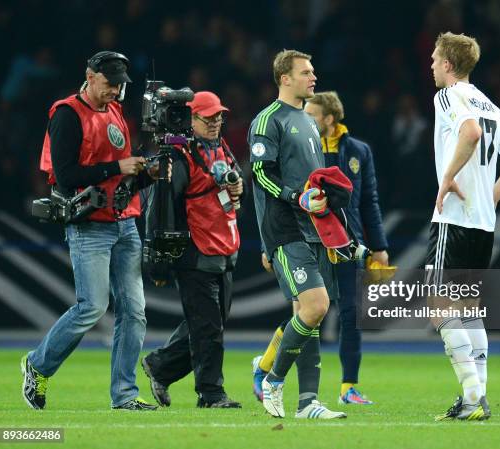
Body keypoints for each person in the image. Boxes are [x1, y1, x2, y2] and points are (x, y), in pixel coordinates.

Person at [22, 51, 159, 410]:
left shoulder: (115, 113)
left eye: (120, 83)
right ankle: (37, 365)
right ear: (90, 75)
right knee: (92, 307)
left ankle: (125, 396)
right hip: (89, 226)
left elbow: (122, 178)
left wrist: (146, 174)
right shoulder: (67, 113)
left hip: (125, 222)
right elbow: (65, 176)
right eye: (110, 82)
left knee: (135, 312)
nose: (116, 89)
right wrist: (117, 165)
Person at [252, 91, 389, 405]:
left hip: (345, 241)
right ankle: (266, 366)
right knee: (307, 312)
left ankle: (347, 387)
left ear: (330, 118)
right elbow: (271, 198)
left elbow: (369, 201)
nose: (306, 119)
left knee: (351, 314)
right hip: (305, 236)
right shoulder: (301, 146)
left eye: (313, 114)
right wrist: (267, 244)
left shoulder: (358, 151)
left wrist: (378, 246)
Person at [426, 32, 500, 421]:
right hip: (483, 224)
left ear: (449, 65)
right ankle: (479, 398)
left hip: (453, 218)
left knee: (440, 308)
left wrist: (447, 177)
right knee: (469, 308)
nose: (432, 65)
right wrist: (492, 196)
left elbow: (469, 133)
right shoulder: (488, 103)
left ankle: (471, 397)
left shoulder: (448, 95)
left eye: (436, 59)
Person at [248, 49, 346, 419]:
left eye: (313, 70)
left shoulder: (307, 121)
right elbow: (259, 173)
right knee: (316, 306)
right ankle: (272, 378)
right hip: (285, 227)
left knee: (309, 315)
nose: (313, 76)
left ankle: (308, 403)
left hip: (312, 229)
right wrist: (296, 198)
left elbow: (315, 181)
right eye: (306, 72)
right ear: (284, 78)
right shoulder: (267, 120)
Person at [141, 92, 243, 409]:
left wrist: (239, 187)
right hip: (196, 253)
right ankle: (211, 393)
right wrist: (159, 258)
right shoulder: (180, 157)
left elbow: (235, 189)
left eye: (218, 117)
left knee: (208, 324)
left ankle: (160, 365)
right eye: (207, 118)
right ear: (191, 119)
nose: (214, 123)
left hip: (224, 249)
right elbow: (162, 208)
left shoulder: (221, 148)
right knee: (208, 327)